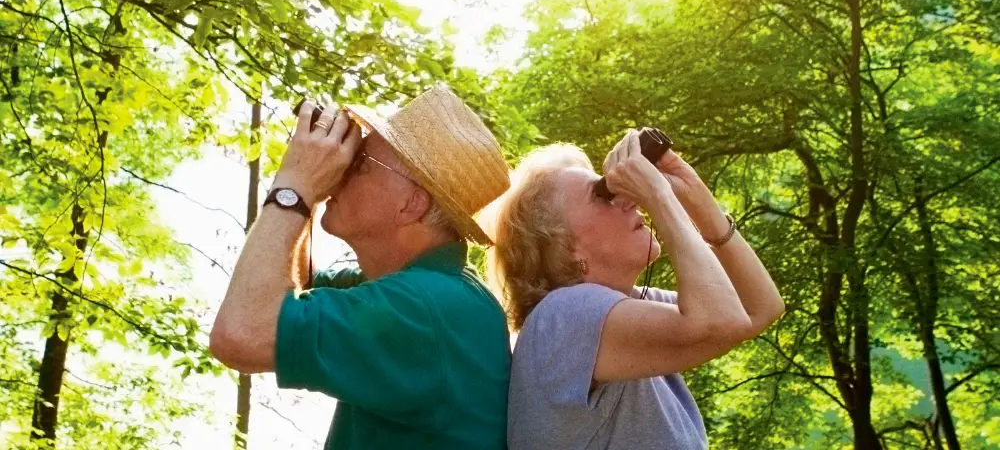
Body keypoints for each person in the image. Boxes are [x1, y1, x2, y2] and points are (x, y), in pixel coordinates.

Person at [210, 86, 512, 450]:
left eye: (362, 164)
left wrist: (296, 184)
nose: (344, 171)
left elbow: (242, 333)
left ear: (411, 205)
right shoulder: (434, 289)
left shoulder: (422, 309)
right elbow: (292, 289)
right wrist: (311, 187)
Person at [488, 130, 785, 450]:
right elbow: (723, 322)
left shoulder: (624, 305)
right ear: (566, 246)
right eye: (603, 193)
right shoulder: (563, 316)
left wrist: (696, 197)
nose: (630, 199)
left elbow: (757, 308)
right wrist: (658, 196)